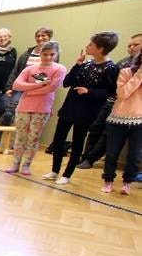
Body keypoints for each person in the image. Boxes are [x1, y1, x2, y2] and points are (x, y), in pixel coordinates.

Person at [42, 32, 119, 185]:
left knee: (77, 142)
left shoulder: (111, 68)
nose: (87, 46)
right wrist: (77, 65)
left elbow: (110, 92)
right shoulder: (86, 64)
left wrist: (89, 91)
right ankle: (55, 170)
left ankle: (67, 174)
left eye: (91, 45)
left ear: (100, 48)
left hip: (87, 111)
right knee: (58, 140)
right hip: (70, 107)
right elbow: (67, 82)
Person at [78, 32, 142, 168]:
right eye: (129, 45)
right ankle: (85, 156)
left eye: (136, 45)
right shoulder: (122, 62)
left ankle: (91, 159)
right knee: (95, 128)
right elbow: (112, 85)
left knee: (108, 134)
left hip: (130, 109)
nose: (131, 48)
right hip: (111, 101)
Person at [4, 41, 67, 175]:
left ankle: (26, 164)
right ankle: (16, 162)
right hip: (24, 106)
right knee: (20, 136)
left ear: (56, 54)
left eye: (52, 54)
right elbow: (16, 85)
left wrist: (29, 90)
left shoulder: (60, 69)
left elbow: (51, 88)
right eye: (45, 54)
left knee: (33, 137)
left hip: (42, 108)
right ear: (40, 53)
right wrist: (39, 86)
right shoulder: (30, 68)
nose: (48, 57)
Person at [101, 52, 142, 195]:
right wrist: (139, 75)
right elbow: (123, 93)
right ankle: (108, 181)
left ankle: (127, 183)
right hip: (118, 118)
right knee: (112, 153)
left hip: (139, 121)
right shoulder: (125, 72)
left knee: (135, 155)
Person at [3, 27, 56, 116]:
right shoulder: (27, 53)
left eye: (43, 36)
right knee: (9, 112)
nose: (40, 38)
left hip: (39, 90)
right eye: (38, 36)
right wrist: (9, 87)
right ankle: (4, 130)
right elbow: (16, 71)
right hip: (22, 88)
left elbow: (52, 76)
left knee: (30, 114)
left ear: (49, 37)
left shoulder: (52, 55)